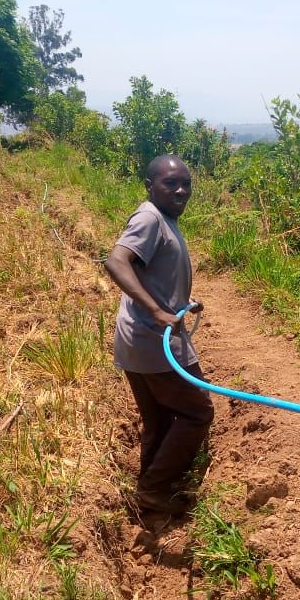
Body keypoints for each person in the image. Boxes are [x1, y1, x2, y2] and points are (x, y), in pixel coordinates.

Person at [103, 154, 214, 514]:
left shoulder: (164, 218)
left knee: (159, 420)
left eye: (186, 184)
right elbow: (116, 261)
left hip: (139, 340)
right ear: (150, 187)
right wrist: (157, 311)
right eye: (171, 184)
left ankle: (148, 493)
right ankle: (155, 487)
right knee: (198, 412)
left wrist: (180, 302)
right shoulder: (150, 217)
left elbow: (153, 273)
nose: (181, 190)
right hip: (154, 342)